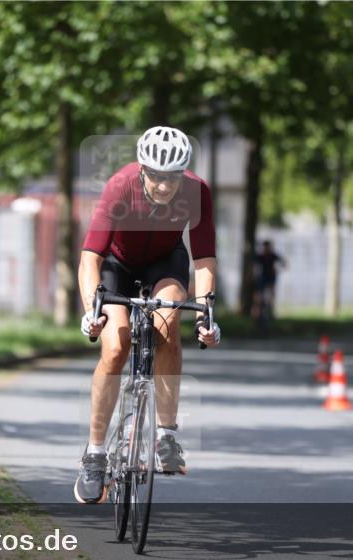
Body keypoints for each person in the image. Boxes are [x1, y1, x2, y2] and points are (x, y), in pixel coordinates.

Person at [74, 126, 221, 504]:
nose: (163, 185)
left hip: (165, 263)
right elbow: (90, 258)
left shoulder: (197, 191)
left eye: (171, 177)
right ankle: (95, 454)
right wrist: (92, 310)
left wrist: (206, 315)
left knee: (168, 326)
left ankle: (166, 435)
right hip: (116, 265)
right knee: (116, 346)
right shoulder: (120, 185)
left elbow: (204, 258)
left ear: (183, 174)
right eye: (155, 175)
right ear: (142, 170)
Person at [252, 240, 286, 326]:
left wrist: (278, 269)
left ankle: (270, 312)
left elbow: (284, 263)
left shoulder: (273, 256)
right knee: (258, 297)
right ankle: (257, 314)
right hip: (262, 279)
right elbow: (253, 265)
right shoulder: (260, 257)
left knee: (270, 296)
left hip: (270, 279)